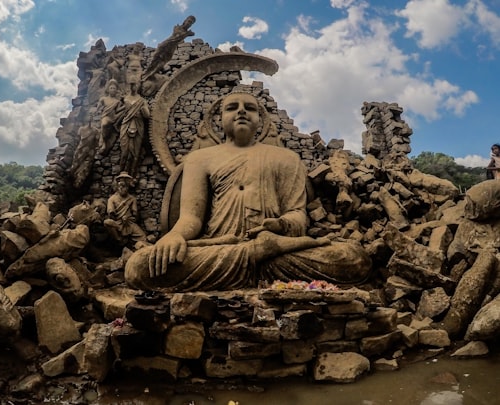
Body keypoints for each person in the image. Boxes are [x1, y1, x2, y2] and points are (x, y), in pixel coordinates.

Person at [125, 92, 371, 292]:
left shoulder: (286, 158)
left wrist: (280, 225)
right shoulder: (199, 159)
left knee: (353, 257)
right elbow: (192, 217)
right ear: (218, 118)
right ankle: (257, 255)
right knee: (139, 266)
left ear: (261, 120)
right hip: (221, 249)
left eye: (250, 108)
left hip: (275, 250)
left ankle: (261, 254)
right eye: (232, 107)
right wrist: (175, 236)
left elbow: (298, 216)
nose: (241, 111)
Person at [116, 82, 150, 177]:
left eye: (134, 85)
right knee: (124, 151)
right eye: (131, 85)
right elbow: (117, 111)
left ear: (138, 86)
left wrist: (143, 109)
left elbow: (147, 115)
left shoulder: (142, 100)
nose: (132, 87)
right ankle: (121, 173)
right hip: (126, 124)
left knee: (135, 152)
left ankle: (132, 174)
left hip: (138, 125)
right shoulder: (124, 99)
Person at [104, 172, 147, 246]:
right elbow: (111, 215)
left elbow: (135, 216)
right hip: (118, 223)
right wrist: (115, 217)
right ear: (117, 187)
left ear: (128, 188)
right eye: (120, 186)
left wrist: (130, 217)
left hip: (129, 223)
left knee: (143, 237)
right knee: (107, 222)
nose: (122, 188)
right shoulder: (112, 199)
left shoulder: (132, 199)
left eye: (124, 187)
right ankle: (119, 239)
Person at [96, 79, 121, 155]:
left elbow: (118, 110)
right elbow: (98, 108)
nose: (113, 90)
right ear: (108, 89)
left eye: (114, 88)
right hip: (106, 117)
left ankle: (116, 127)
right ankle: (102, 140)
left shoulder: (117, 101)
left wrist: (124, 106)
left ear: (116, 90)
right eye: (111, 88)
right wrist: (99, 110)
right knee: (104, 124)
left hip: (113, 118)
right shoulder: (103, 99)